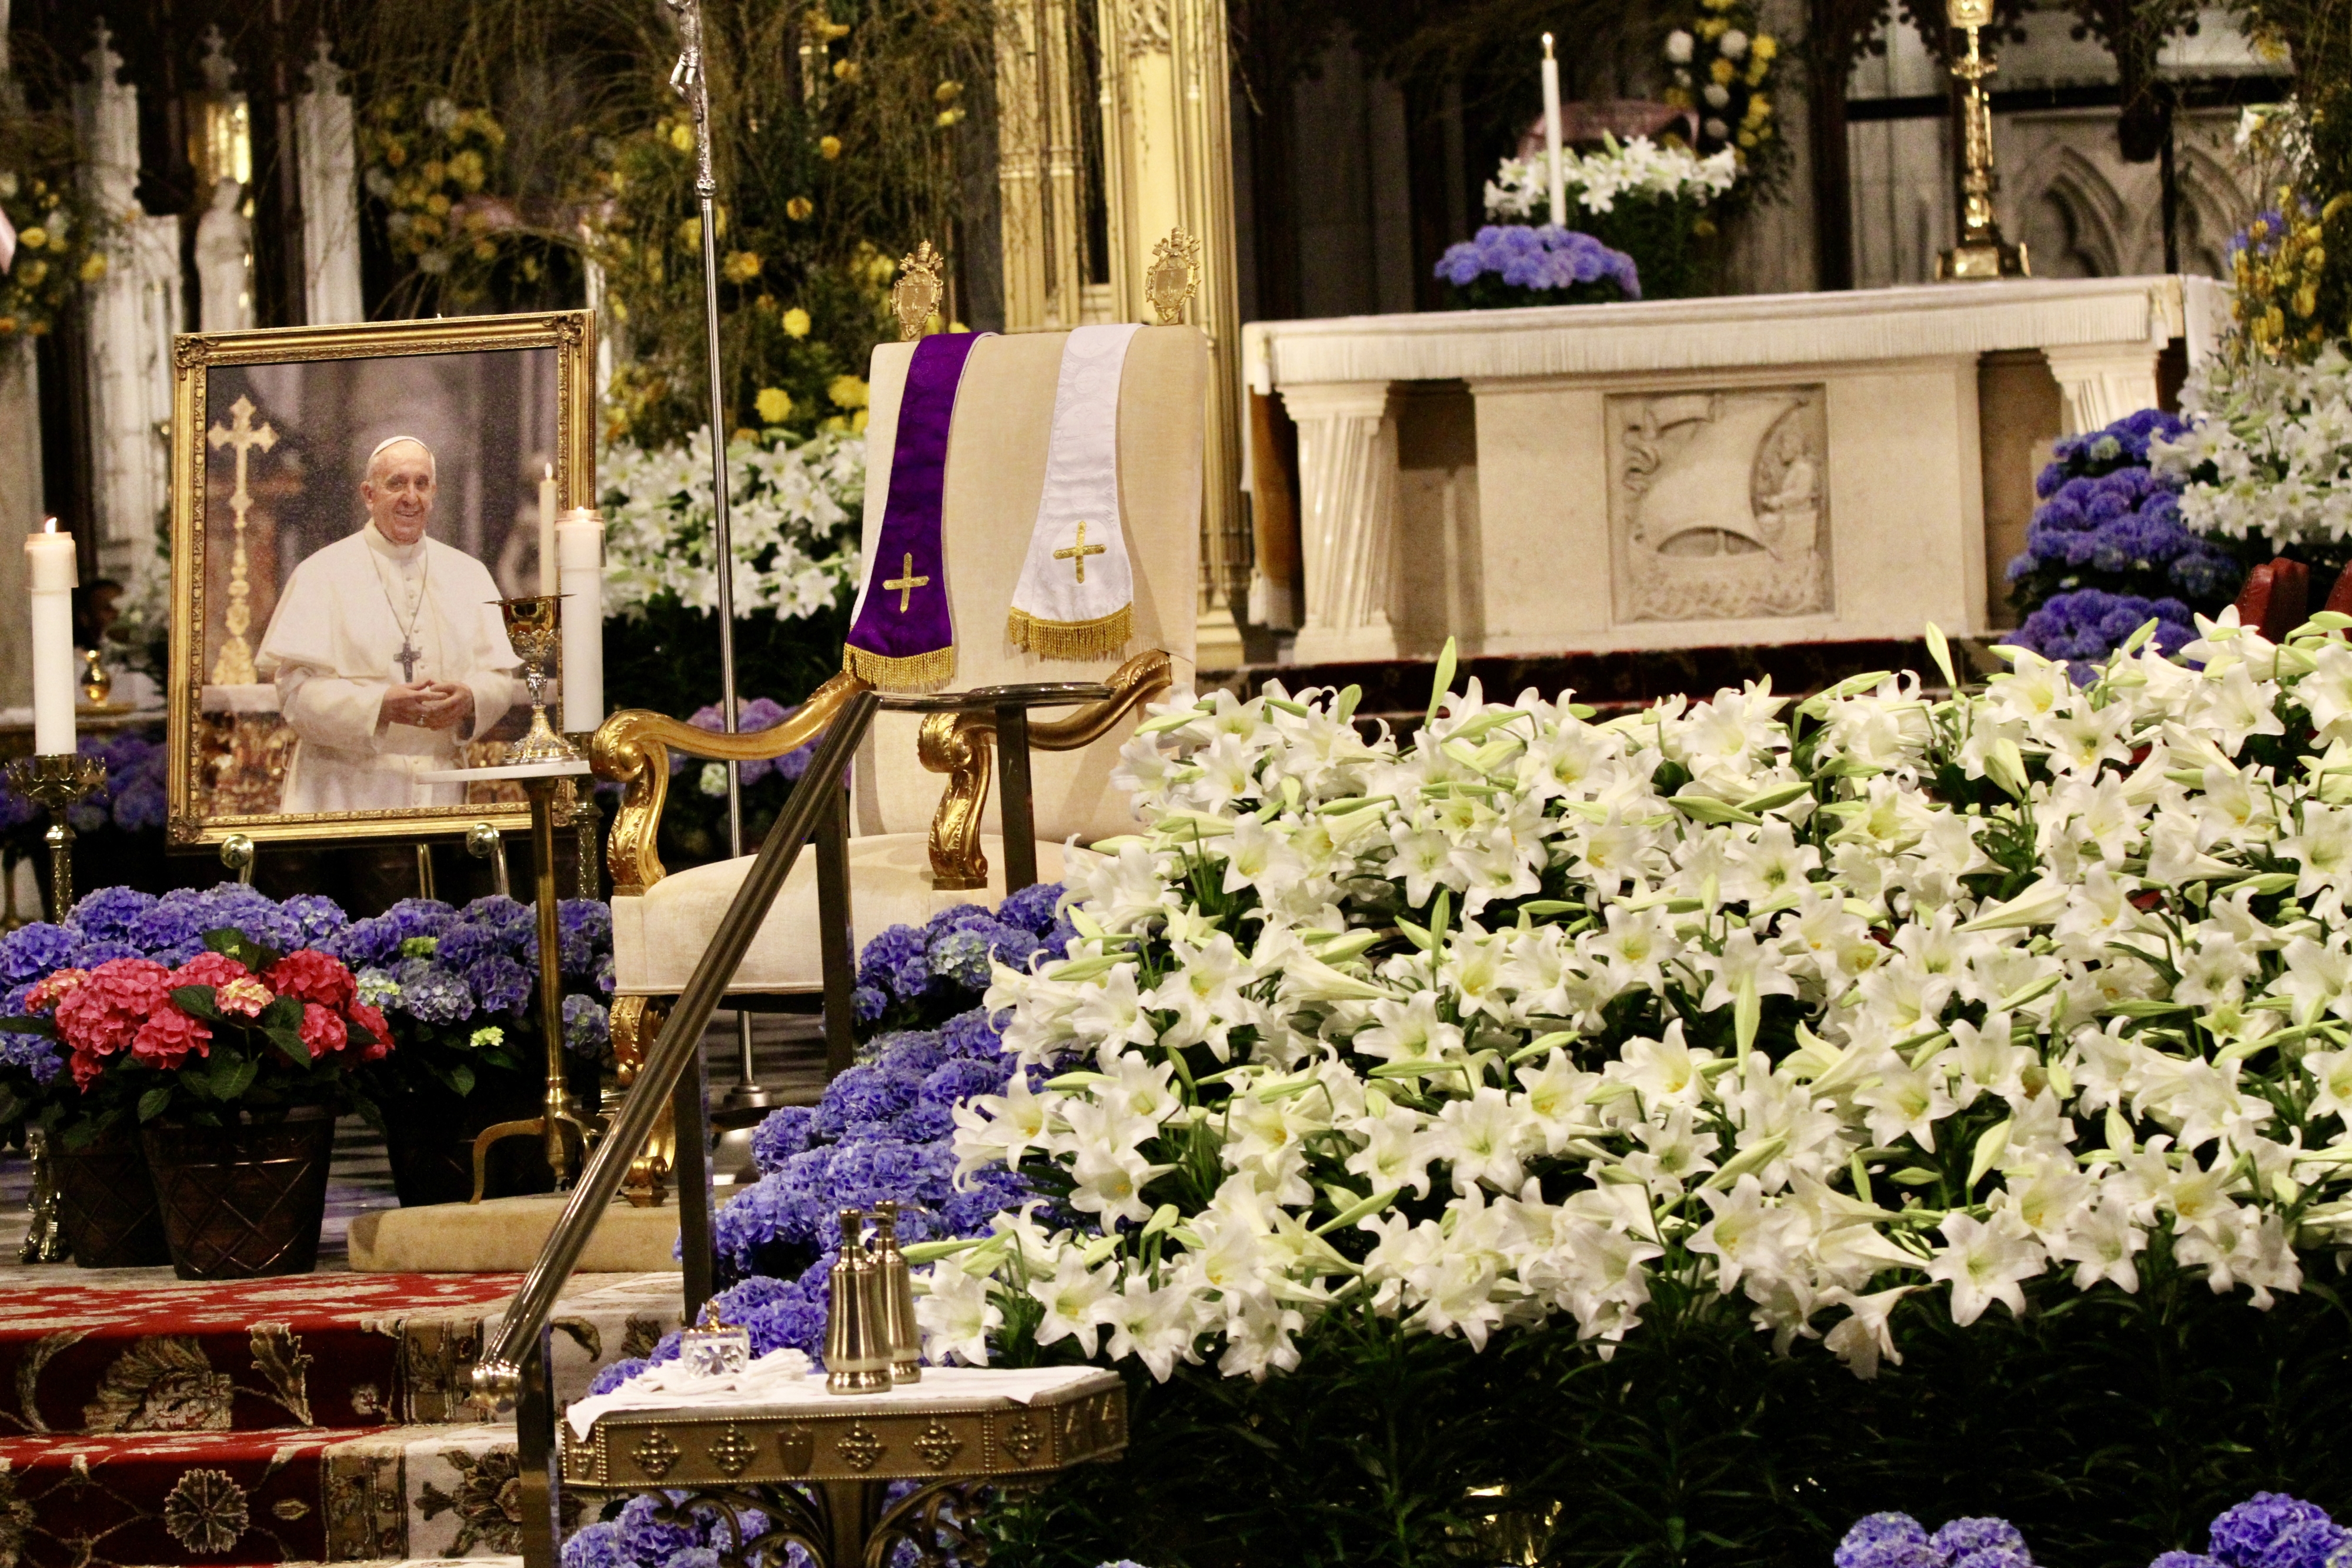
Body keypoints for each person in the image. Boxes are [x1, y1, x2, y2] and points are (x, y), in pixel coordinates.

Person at [256, 436, 521, 811]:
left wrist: (472, 698)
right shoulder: (322, 573)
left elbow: (498, 678)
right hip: (341, 789)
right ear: (369, 494)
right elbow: (296, 694)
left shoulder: (469, 574)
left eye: (421, 484)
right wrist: (379, 705)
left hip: (442, 788)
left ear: (434, 492)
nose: (410, 497)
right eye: (396, 483)